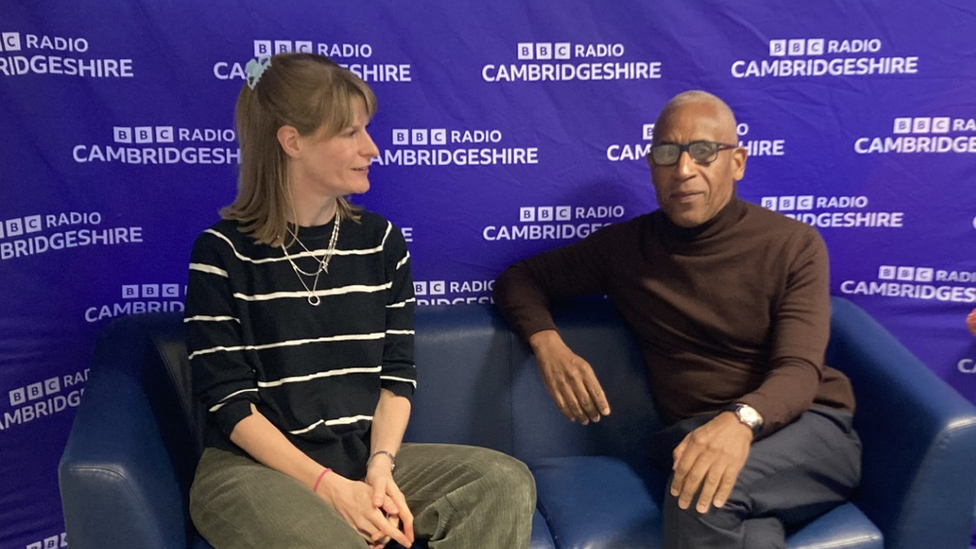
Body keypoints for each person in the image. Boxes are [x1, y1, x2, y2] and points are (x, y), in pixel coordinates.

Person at [184, 52, 535, 549]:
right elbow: (230, 405)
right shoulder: (220, 253)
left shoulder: (380, 242)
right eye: (350, 133)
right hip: (251, 470)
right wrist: (329, 489)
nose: (372, 148)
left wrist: (379, 469)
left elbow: (397, 377)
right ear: (292, 141)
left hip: (358, 457)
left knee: (502, 482)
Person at [493, 90, 861, 549]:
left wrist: (739, 421)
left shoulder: (794, 245)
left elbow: (799, 370)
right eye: (668, 153)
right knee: (744, 527)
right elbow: (519, 280)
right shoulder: (626, 249)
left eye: (703, 151)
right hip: (696, 435)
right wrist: (549, 347)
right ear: (651, 166)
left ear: (738, 162)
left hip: (806, 427)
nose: (684, 170)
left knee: (703, 492)